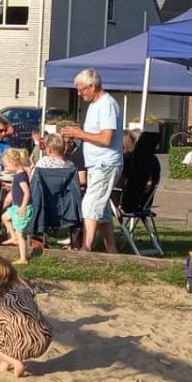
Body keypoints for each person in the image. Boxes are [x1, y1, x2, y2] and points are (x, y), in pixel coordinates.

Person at [60, 67, 123, 253]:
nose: (79, 94)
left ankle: (85, 248)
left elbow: (106, 138)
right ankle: (111, 249)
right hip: (97, 163)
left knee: (90, 204)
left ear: (92, 86)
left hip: (105, 163)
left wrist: (80, 133)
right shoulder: (95, 105)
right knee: (102, 210)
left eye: (81, 90)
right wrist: (77, 134)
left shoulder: (106, 105)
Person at [0, 147, 34, 263]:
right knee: (5, 217)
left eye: (7, 165)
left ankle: (23, 258)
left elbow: (27, 192)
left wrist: (23, 206)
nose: (6, 168)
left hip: (23, 207)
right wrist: (9, 185)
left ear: (14, 162)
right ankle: (13, 237)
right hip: (16, 207)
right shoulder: (19, 175)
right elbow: (18, 187)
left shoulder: (21, 176)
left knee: (20, 234)